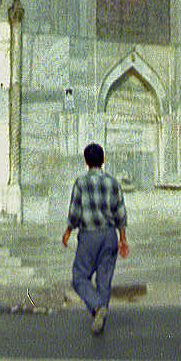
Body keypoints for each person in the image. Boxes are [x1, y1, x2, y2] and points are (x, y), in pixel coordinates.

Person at [62, 141, 129, 335]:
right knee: (104, 280)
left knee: (80, 276)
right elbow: (121, 212)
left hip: (90, 234)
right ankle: (101, 313)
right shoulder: (112, 182)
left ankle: (98, 307)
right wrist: (122, 238)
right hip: (109, 235)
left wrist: (68, 230)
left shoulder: (81, 182)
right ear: (103, 160)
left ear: (86, 161)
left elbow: (75, 211)